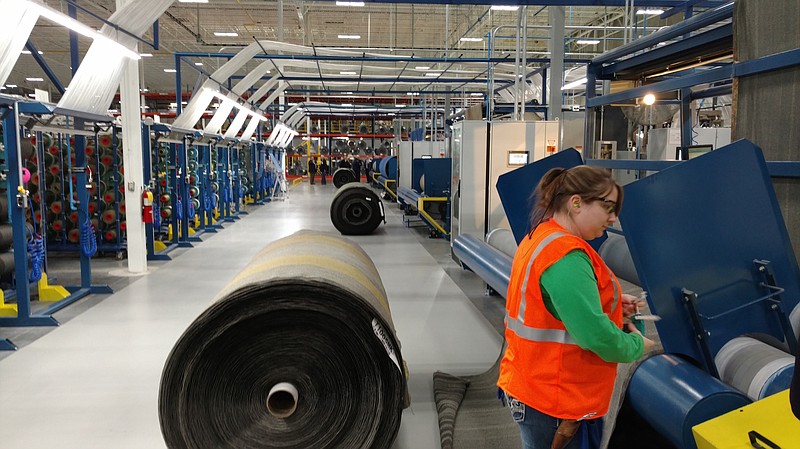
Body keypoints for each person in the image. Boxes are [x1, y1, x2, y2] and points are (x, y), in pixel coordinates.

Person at [497, 165, 655, 449]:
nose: (613, 217)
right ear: (576, 203)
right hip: (556, 401)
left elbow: (558, 310)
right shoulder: (565, 256)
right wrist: (635, 345)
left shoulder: (541, 236)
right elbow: (595, 336)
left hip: (534, 385)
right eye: (608, 207)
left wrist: (616, 306)